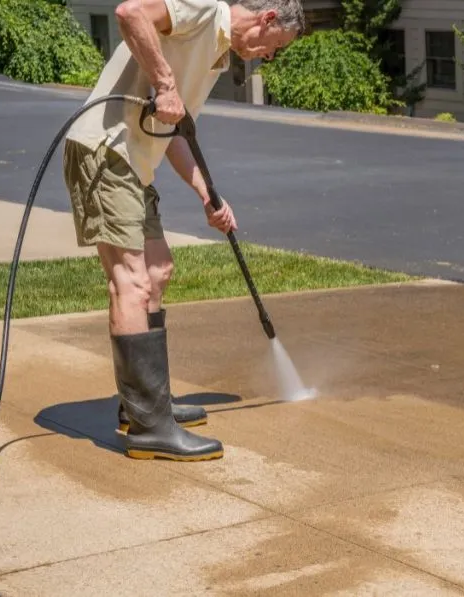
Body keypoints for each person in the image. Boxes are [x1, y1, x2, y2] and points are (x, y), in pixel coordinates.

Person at [61, 0, 304, 462]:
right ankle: (149, 426)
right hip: (105, 151)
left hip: (134, 162)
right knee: (131, 282)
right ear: (268, 19)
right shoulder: (205, 10)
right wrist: (165, 83)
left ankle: (148, 402)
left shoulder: (215, 53)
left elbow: (172, 131)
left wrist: (207, 194)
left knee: (157, 271)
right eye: (276, 48)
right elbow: (131, 12)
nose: (270, 57)